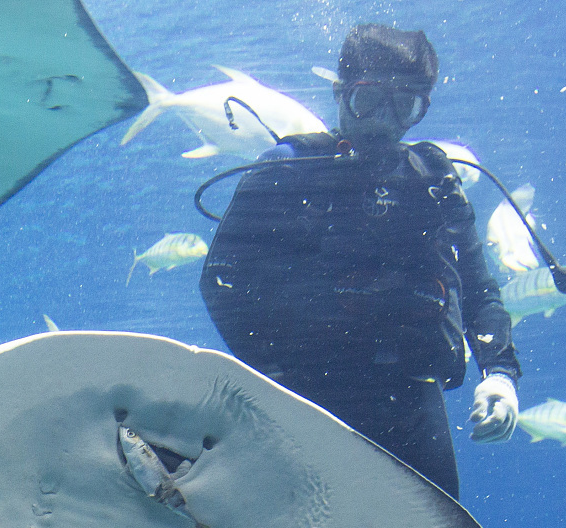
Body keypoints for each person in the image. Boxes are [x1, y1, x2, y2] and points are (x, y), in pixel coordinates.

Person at [198, 24, 518, 499]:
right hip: (302, 399)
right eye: (369, 100)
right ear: (340, 92)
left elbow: (477, 286)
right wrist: (274, 376)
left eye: (405, 104)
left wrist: (501, 375)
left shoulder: (434, 179)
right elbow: (222, 281)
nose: (383, 121)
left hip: (410, 400)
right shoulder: (288, 168)